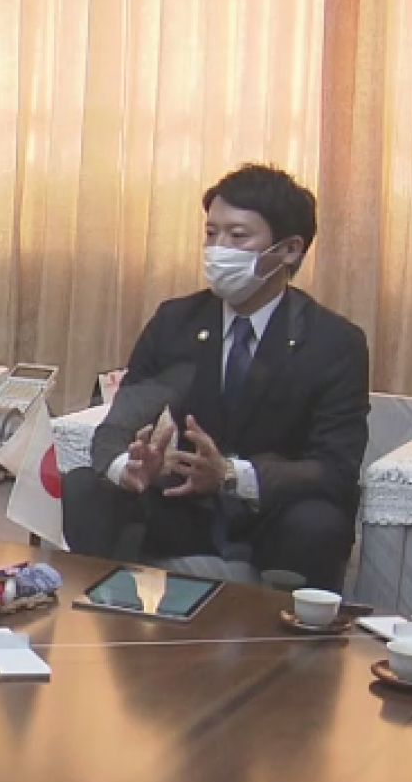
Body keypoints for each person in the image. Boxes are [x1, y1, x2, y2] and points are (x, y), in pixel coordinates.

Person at [61, 164, 370, 590]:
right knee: (85, 487)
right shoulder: (176, 321)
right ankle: (108, 612)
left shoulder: (334, 342)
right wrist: (129, 466)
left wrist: (231, 474)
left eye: (238, 236)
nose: (218, 249)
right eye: (211, 233)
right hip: (185, 504)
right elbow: (118, 423)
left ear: (290, 249)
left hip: (273, 514)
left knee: (317, 522)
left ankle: (285, 631)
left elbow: (334, 468)